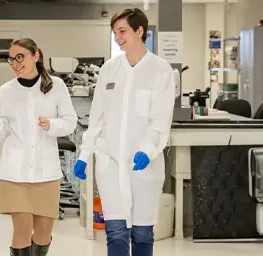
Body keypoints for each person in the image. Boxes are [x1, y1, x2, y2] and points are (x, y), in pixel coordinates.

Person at [73, 8, 176, 256]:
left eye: (122, 31)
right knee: (115, 231)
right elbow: (97, 117)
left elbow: (160, 120)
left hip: (144, 164)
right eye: (115, 32)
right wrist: (85, 154)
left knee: (142, 234)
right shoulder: (109, 69)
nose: (118, 37)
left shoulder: (161, 70)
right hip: (110, 161)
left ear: (140, 31)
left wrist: (147, 150)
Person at [0, 38, 78, 256]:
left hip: (46, 171)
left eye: (20, 57)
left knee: (44, 232)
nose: (15, 63)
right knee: (21, 229)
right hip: (15, 172)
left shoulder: (56, 86)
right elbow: (2, 133)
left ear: (36, 55)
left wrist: (52, 124)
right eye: (11, 59)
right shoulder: (5, 91)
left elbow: (70, 120)